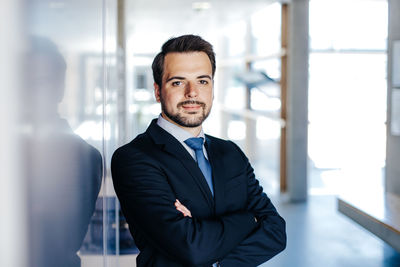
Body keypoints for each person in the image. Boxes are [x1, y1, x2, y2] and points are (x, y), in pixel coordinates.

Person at [111, 34, 286, 267]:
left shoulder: (230, 153)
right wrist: (250, 219)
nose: (192, 92)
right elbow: (191, 247)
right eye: (178, 82)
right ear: (157, 91)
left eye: (203, 81)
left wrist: (216, 260)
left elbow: (276, 232)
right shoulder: (134, 158)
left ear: (212, 88)